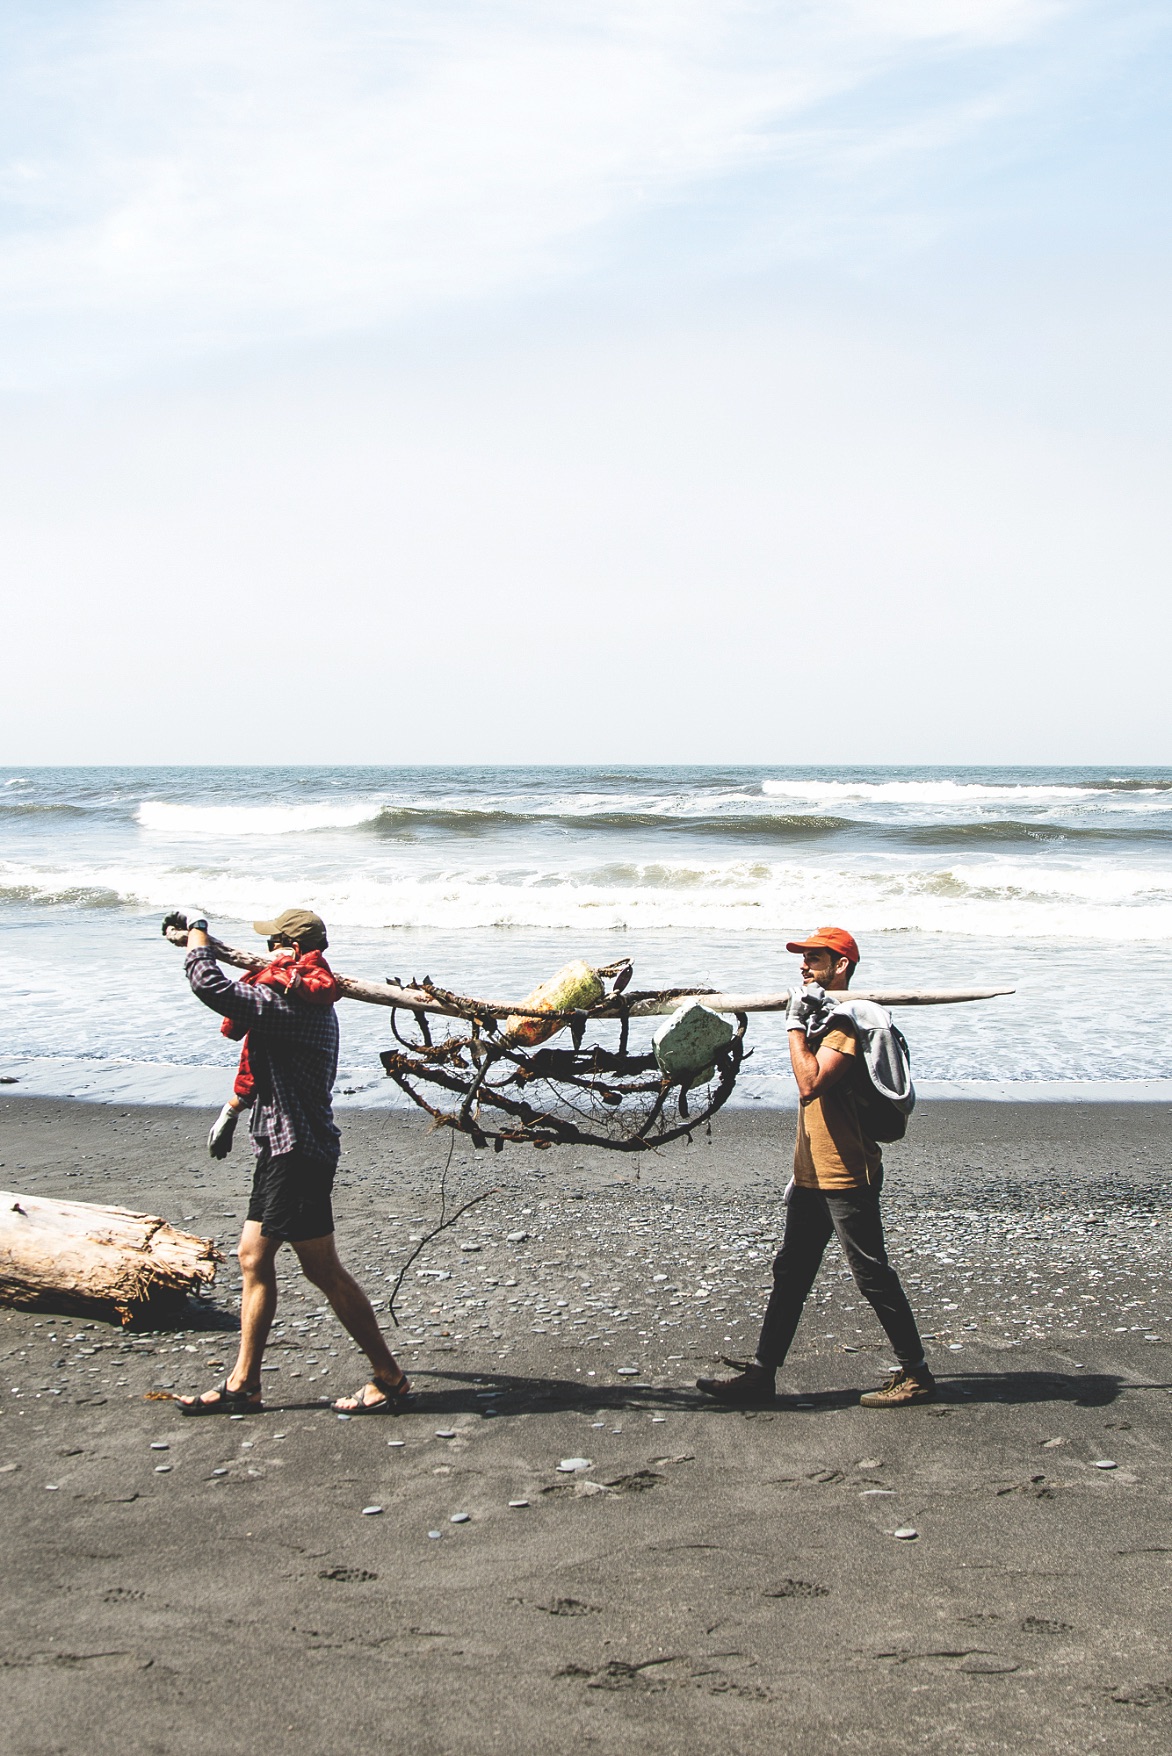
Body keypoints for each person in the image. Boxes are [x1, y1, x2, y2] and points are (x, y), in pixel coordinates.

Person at [165, 906, 409, 1416]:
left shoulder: (290, 1000)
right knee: (253, 1257)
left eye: (275, 941)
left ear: (292, 950)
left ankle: (388, 1377)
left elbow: (210, 985)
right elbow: (261, 1060)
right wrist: (233, 1109)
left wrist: (198, 936)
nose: (268, 949)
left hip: (297, 1151)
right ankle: (244, 1384)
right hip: (286, 1148)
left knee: (322, 1270)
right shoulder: (296, 995)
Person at [697, 926, 935, 1409]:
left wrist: (792, 1024)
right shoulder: (826, 1020)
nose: (804, 966)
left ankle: (917, 1374)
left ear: (840, 966)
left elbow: (810, 1083)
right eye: (803, 958)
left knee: (871, 1276)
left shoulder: (846, 1025)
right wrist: (805, 1021)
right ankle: (762, 1375)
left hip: (847, 1174)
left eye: (814, 959)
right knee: (792, 1272)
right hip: (811, 1174)